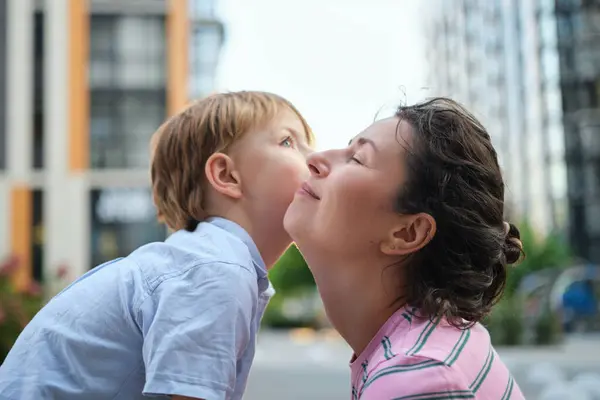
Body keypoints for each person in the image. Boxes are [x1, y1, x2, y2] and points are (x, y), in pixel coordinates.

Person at [0, 91, 314, 400]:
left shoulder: (210, 263)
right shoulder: (216, 270)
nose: (315, 158)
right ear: (226, 174)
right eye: (288, 142)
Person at [284, 97, 526, 399]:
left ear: (408, 232)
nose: (315, 159)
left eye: (357, 159)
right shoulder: (426, 348)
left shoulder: (418, 374)